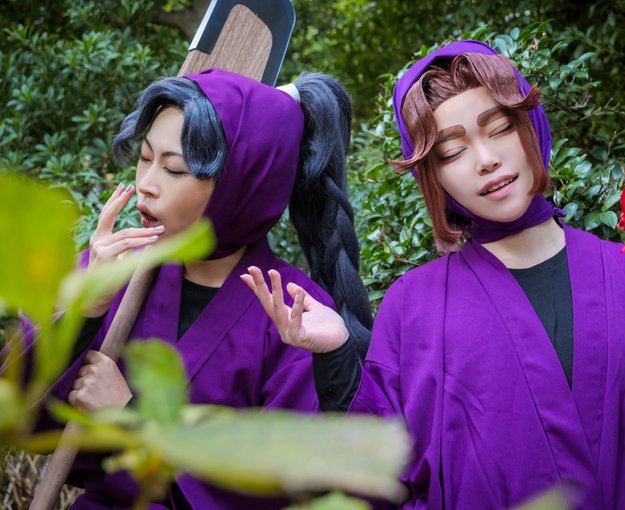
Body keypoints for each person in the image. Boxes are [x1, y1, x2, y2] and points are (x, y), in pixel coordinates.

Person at [243, 40, 625, 509]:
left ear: (531, 124)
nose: (485, 159)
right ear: (433, 176)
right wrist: (335, 353)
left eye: (500, 128)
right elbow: (375, 475)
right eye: (451, 152)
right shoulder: (411, 305)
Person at [12, 68, 372, 508]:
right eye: (145, 158)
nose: (146, 183)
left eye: (174, 168)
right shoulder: (114, 268)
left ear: (243, 188)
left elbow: (288, 479)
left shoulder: (296, 311)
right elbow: (18, 409)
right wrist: (84, 314)